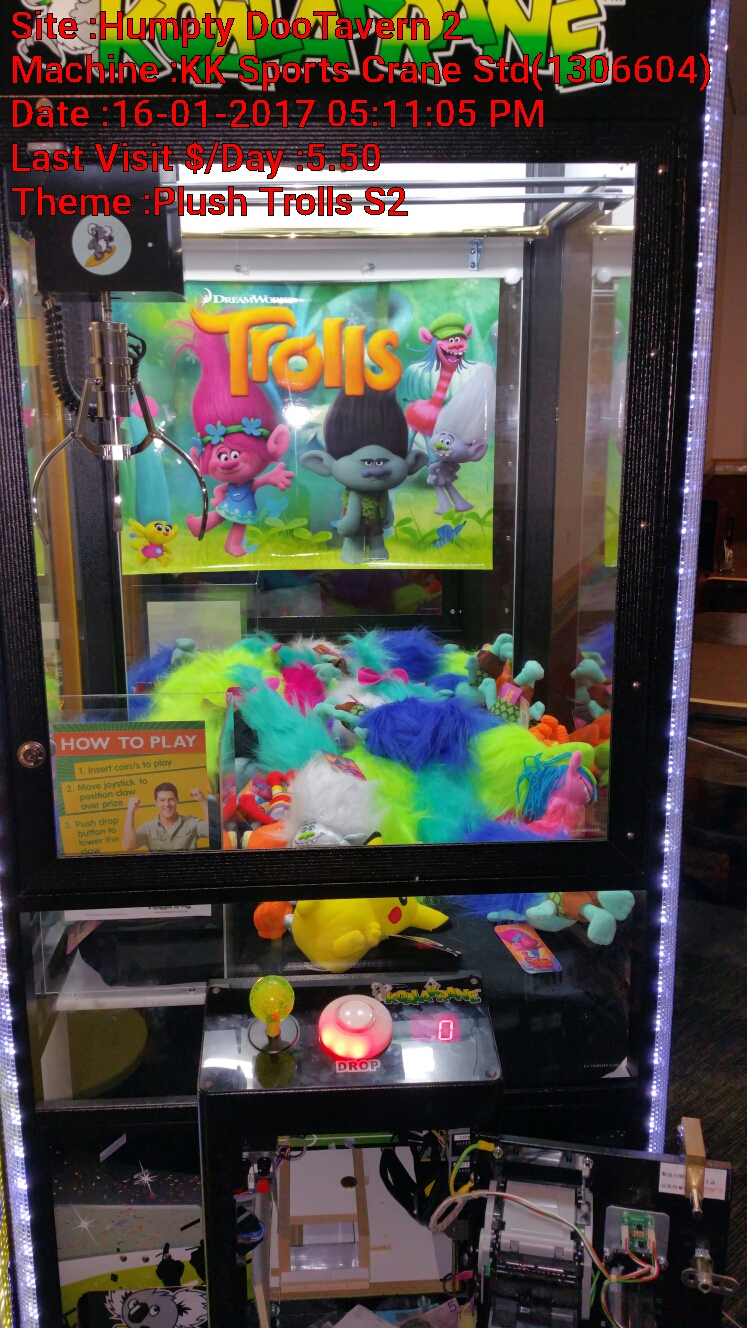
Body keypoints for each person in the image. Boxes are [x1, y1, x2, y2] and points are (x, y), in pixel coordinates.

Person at [122, 782, 209, 852]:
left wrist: (203, 801)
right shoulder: (148, 828)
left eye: (171, 799)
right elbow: (129, 845)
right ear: (155, 802)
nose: (167, 804)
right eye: (162, 800)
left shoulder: (190, 823)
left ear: (177, 800)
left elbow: (212, 831)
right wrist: (130, 811)